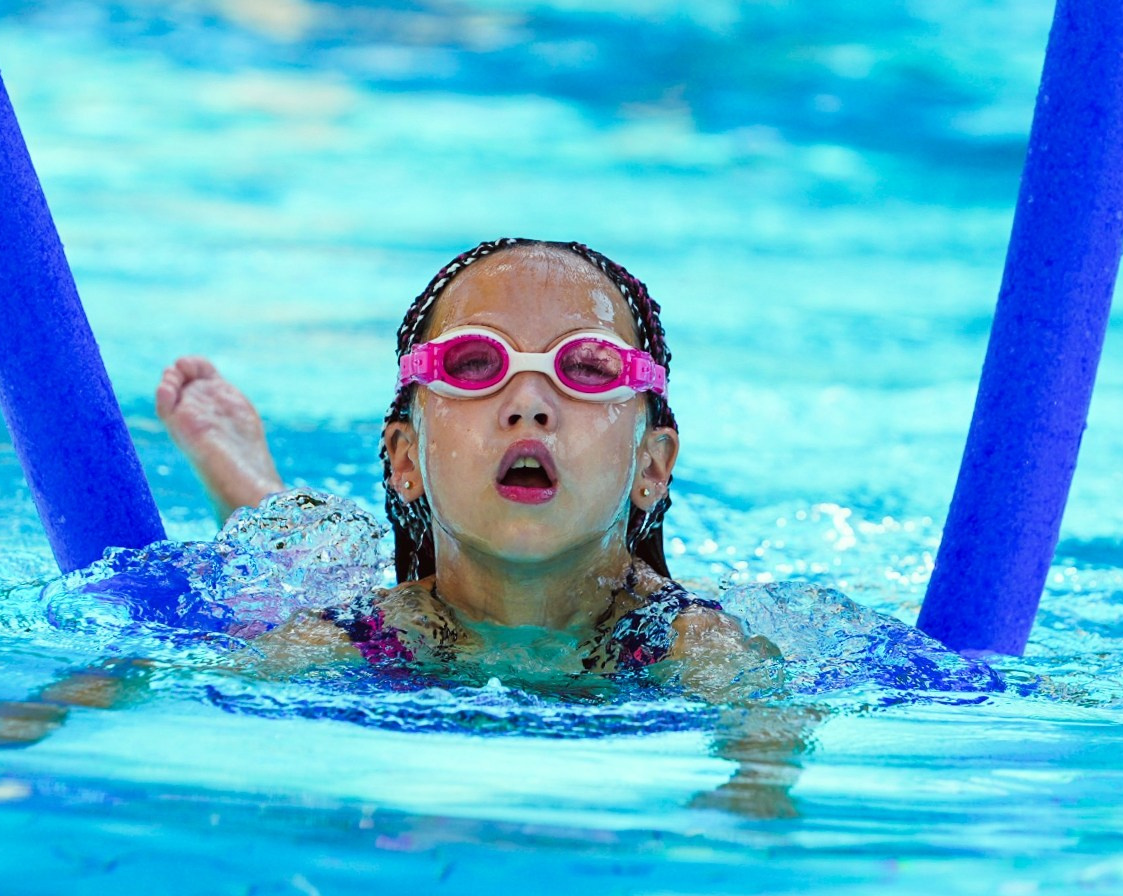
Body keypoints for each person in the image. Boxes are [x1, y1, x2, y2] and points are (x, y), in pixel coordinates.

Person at [156, 237, 772, 694]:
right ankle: (260, 500)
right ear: (407, 459)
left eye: (585, 367)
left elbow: (765, 746)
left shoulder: (693, 640)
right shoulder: (349, 637)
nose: (528, 405)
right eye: (475, 364)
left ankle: (262, 500)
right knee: (293, 583)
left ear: (652, 466)